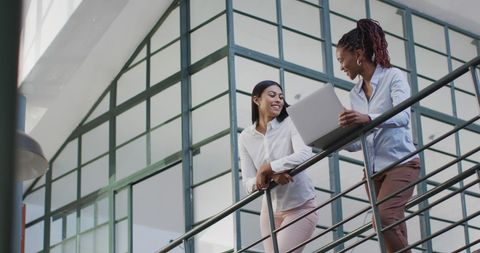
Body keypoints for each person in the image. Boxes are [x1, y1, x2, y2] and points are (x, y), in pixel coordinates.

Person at [335, 19, 420, 253]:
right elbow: (358, 142)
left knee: (382, 219)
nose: (341, 66)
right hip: (373, 173)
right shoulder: (355, 93)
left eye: (342, 60)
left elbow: (403, 116)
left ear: (359, 54)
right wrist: (335, 139)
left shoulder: (393, 77)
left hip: (401, 163)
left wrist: (368, 118)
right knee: (394, 228)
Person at [239, 80, 318, 253]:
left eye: (281, 97)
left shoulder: (291, 122)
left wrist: (267, 167)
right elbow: (248, 183)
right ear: (256, 100)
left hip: (300, 207)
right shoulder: (246, 136)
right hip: (269, 212)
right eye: (272, 95)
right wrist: (271, 175)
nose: (278, 100)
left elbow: (305, 154)